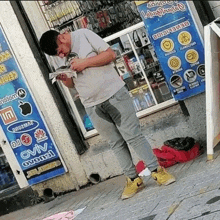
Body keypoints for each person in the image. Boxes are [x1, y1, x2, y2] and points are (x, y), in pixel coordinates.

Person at [39, 28, 176, 200]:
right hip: (92, 105)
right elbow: (72, 84)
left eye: (60, 51)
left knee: (132, 135)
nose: (60, 56)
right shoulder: (56, 58)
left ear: (62, 38)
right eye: (57, 55)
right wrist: (64, 79)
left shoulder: (84, 35)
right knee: (115, 142)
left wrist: (85, 63)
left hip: (114, 94)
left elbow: (110, 55)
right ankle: (133, 179)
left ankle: (157, 171)